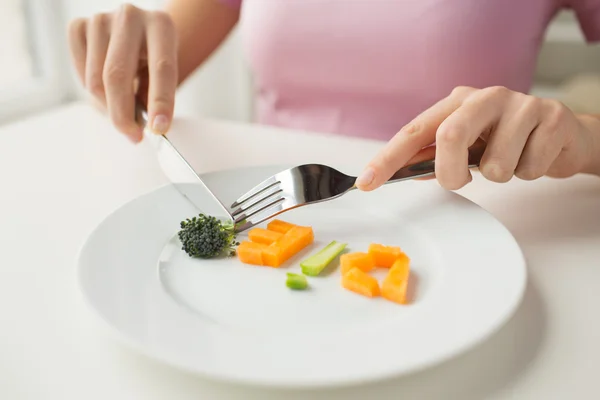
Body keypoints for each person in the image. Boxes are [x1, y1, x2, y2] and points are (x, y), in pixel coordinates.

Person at [67, 0, 600, 192]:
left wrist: (581, 136)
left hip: (486, 218)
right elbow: (138, 79)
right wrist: (120, 57)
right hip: (285, 230)